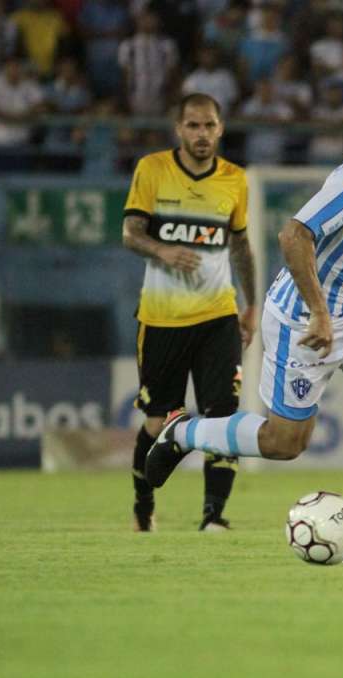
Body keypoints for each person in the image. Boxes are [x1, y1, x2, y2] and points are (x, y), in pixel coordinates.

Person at [146, 89, 343, 551]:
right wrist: (320, 312)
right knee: (284, 443)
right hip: (301, 319)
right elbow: (293, 235)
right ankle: (184, 431)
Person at [121, 92, 258, 532]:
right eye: (194, 126)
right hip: (161, 319)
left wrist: (251, 304)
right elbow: (130, 233)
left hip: (218, 314)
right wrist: (164, 250)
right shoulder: (153, 169)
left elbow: (239, 244)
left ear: (221, 129)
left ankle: (213, 517)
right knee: (159, 422)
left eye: (210, 126)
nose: (203, 134)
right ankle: (144, 501)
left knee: (224, 417)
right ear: (179, 129)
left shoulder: (235, 179)